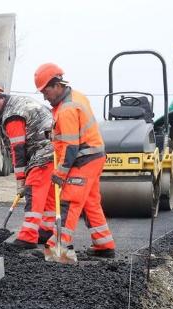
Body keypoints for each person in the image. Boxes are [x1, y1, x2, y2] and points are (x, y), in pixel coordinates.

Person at [34, 62, 116, 258]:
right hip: (93, 156)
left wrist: (60, 173)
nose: (45, 96)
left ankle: (57, 247)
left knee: (69, 202)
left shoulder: (67, 109)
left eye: (46, 91)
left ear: (57, 85)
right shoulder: (75, 97)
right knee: (90, 203)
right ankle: (104, 244)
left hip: (83, 159)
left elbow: (71, 147)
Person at [0, 84, 56, 248]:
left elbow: (18, 148)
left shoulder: (12, 115)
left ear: (0, 97)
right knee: (48, 194)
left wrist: (20, 179)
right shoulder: (17, 103)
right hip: (53, 150)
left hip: (42, 153)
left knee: (33, 191)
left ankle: (28, 237)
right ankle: (46, 230)